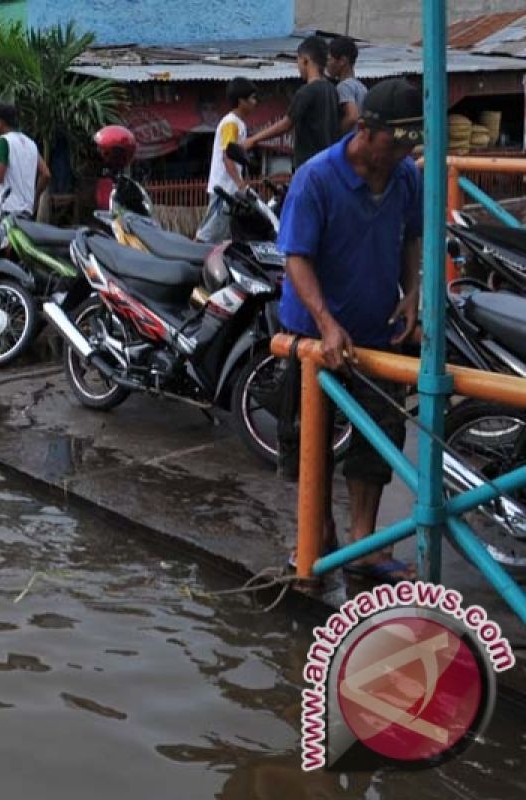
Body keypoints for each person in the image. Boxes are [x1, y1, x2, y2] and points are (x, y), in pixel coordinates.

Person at [277, 78, 424, 584]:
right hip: (314, 336)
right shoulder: (316, 178)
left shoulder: (405, 176)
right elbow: (296, 256)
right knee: (309, 442)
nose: (403, 153)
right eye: (395, 143)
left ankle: (364, 543)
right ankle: (318, 535)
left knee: (379, 436)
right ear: (365, 130)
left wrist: (412, 292)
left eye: (410, 145)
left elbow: (413, 236)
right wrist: (326, 323)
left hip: (377, 332)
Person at [244, 36, 339, 171]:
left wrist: (253, 140)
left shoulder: (307, 91)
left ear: (306, 60)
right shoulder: (332, 90)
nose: (298, 67)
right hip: (328, 165)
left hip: (310, 167)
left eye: (298, 61)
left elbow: (285, 124)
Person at [196, 77, 259, 243]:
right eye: (252, 98)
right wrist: (240, 184)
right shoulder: (231, 123)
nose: (255, 102)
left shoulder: (238, 123)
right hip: (225, 190)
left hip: (230, 190)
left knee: (223, 235)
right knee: (208, 235)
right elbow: (227, 157)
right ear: (241, 101)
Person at [0, 103, 50, 217]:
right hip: (26, 213)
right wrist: (34, 198)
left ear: (0, 122)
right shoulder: (30, 143)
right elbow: (45, 174)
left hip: (7, 210)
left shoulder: (4, 141)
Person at [328, 36, 367, 135]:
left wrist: (335, 136)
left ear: (342, 61)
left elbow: (352, 116)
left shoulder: (344, 86)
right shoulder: (361, 86)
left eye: (329, 59)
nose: (327, 64)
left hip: (349, 143)